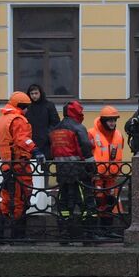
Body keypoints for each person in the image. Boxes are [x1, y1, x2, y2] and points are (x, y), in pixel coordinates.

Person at [50, 101, 97, 243]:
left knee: (63, 202)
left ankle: (64, 233)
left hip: (62, 172)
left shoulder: (55, 129)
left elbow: (53, 151)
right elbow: (85, 147)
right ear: (77, 112)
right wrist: (92, 167)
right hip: (79, 171)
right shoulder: (78, 127)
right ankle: (88, 234)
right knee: (86, 202)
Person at [0, 91, 37, 244]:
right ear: (21, 106)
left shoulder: (2, 120)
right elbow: (22, 139)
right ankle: (18, 235)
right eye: (26, 108)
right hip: (19, 165)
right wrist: (35, 150)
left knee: (6, 199)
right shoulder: (18, 120)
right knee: (21, 198)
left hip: (6, 165)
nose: (27, 111)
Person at [89, 104, 125, 235]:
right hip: (97, 176)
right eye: (110, 120)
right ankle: (96, 230)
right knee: (98, 201)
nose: (113, 123)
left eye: (114, 120)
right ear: (103, 120)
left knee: (110, 202)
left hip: (112, 176)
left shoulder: (119, 135)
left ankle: (107, 230)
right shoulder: (92, 133)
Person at [24, 84, 61, 160]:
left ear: (40, 93)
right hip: (30, 142)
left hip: (46, 143)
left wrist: (47, 134)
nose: (34, 96)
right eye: (32, 94)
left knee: (45, 167)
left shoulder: (49, 105)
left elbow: (55, 122)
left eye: (36, 93)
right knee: (31, 167)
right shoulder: (27, 107)